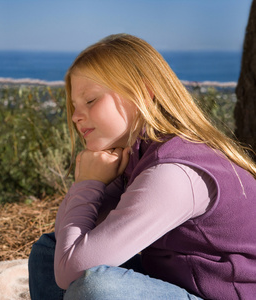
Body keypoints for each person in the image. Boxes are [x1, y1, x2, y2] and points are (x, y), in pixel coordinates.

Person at [28, 33, 256, 300]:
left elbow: (69, 272)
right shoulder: (134, 154)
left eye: (90, 100)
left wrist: (86, 184)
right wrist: (94, 182)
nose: (76, 117)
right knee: (49, 251)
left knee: (97, 288)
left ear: (143, 94)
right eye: (74, 106)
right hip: (180, 283)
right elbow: (68, 245)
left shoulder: (172, 173)